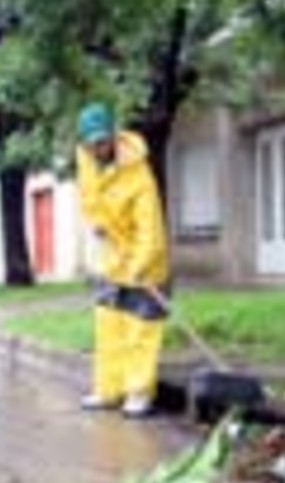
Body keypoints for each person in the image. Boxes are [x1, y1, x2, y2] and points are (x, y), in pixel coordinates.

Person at [75, 103, 170, 419]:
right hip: (112, 260)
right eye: (90, 142)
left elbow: (151, 227)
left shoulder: (139, 174)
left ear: (114, 136)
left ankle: (138, 394)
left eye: (101, 141)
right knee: (109, 328)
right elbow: (90, 199)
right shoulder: (87, 163)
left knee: (140, 331)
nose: (96, 148)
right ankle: (108, 390)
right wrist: (96, 222)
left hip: (146, 264)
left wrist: (140, 264)